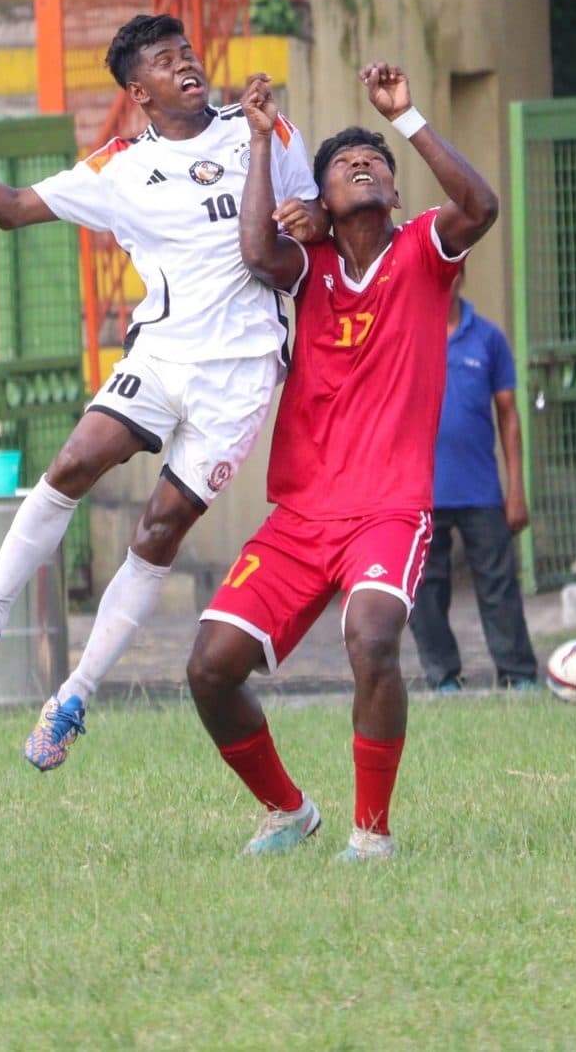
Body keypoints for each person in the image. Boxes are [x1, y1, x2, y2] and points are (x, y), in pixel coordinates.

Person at [0, 15, 321, 771]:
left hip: (240, 376)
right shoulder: (120, 167)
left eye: (187, 53)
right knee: (74, 462)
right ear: (138, 91)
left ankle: (73, 696)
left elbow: (312, 220)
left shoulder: (264, 132)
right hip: (163, 353)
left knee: (158, 531)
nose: (186, 66)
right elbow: (13, 209)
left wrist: (311, 219)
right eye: (165, 61)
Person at [187, 63, 497, 862]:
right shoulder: (312, 264)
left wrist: (406, 119)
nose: (364, 166)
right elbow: (257, 250)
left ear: (393, 191)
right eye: (345, 164)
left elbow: (481, 207)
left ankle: (372, 832)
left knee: (371, 638)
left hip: (389, 508)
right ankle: (287, 810)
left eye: (376, 164)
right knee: (210, 667)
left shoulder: (423, 249)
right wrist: (262, 142)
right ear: (321, 199)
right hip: (301, 514)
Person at [407, 295, 538, 693]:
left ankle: (518, 674)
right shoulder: (407, 334)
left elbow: (509, 415)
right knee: (424, 590)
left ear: (460, 275)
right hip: (421, 490)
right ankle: (443, 676)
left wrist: (515, 489)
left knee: (499, 586)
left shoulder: (488, 338)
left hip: (480, 488)